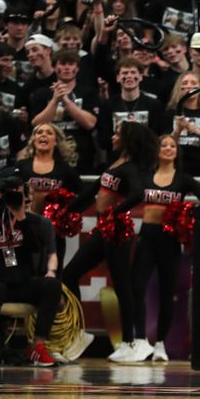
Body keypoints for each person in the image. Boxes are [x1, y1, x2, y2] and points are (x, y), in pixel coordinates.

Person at [62, 122, 158, 363]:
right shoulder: (114, 164)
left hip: (116, 231)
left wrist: (116, 212)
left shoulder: (131, 168)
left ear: (128, 138)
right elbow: (92, 190)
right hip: (102, 229)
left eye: (117, 133)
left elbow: (139, 193)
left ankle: (129, 341)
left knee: (122, 285)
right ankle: (79, 332)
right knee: (70, 273)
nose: (113, 136)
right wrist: (65, 210)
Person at [132, 134, 200, 362]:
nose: (168, 148)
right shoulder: (146, 176)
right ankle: (140, 341)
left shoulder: (183, 179)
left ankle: (159, 345)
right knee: (137, 287)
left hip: (169, 241)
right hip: (146, 236)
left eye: (172, 145)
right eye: (163, 145)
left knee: (168, 293)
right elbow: (129, 199)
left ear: (177, 152)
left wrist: (190, 216)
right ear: (156, 151)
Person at [0, 176, 61, 368]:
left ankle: (38, 347)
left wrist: (21, 217)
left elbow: (36, 248)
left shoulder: (30, 221)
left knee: (51, 285)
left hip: (20, 283)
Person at [15, 123, 81, 274]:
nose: (43, 135)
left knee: (53, 272)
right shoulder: (21, 166)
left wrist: (68, 213)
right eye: (39, 132)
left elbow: (83, 195)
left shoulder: (65, 169)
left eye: (48, 133)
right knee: (25, 271)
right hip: (25, 228)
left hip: (54, 232)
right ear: (33, 140)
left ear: (56, 141)